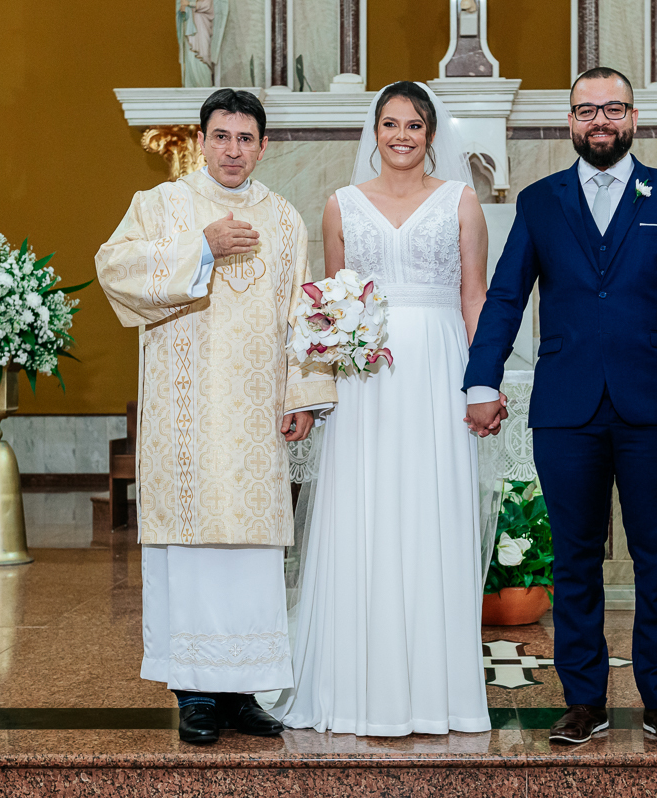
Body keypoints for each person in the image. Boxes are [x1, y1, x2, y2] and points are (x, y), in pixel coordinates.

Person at [463, 67, 657, 747]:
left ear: (633, 118)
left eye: (612, 109)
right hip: (567, 407)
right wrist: (481, 381)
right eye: (587, 111)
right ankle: (585, 700)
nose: (600, 121)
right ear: (571, 122)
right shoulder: (540, 202)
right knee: (576, 561)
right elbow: (504, 298)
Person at [94, 88, 337, 745]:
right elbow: (112, 268)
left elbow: (302, 314)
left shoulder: (284, 220)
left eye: (246, 138)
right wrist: (199, 248)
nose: (233, 150)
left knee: (253, 558)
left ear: (263, 145)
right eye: (222, 136)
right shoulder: (162, 206)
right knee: (194, 555)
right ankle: (196, 692)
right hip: (187, 421)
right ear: (201, 140)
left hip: (257, 424)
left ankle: (242, 691)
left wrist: (302, 396)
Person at [275, 81, 496, 736]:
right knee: (361, 512)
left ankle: (437, 692)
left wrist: (481, 382)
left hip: (436, 368)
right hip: (366, 375)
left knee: (430, 509)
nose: (402, 135)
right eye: (391, 123)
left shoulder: (461, 200)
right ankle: (353, 689)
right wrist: (320, 385)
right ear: (374, 132)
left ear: (432, 134)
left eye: (415, 125)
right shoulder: (340, 205)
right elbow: (333, 300)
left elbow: (475, 297)